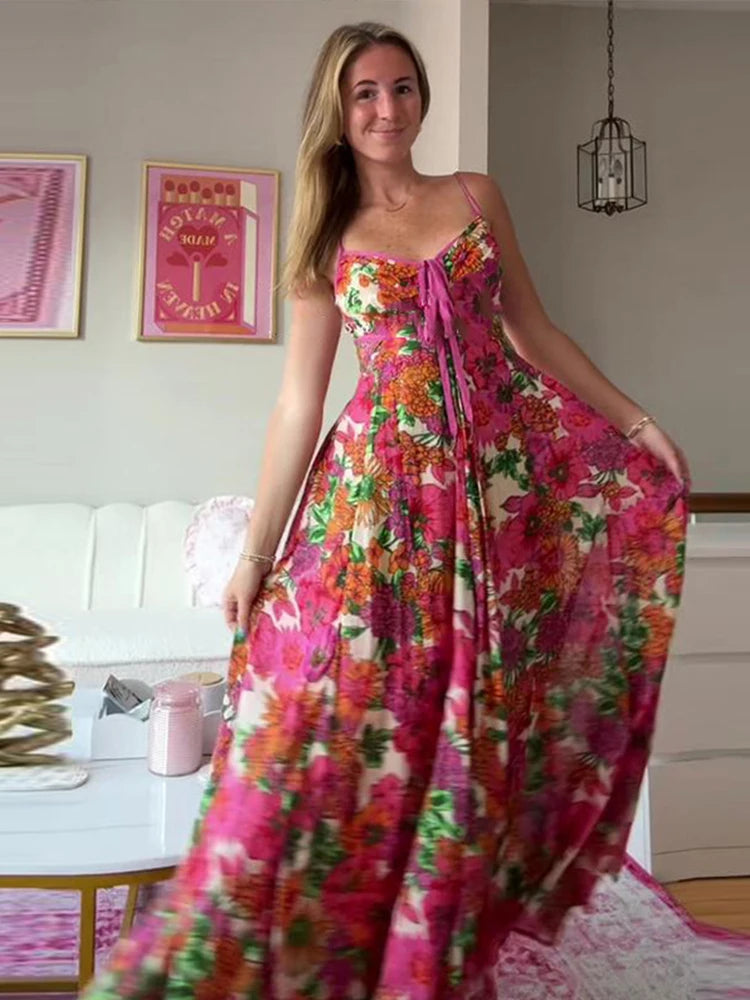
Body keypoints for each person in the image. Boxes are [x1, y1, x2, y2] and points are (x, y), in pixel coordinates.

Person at [83, 21, 690, 1000]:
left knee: (466, 727)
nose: (387, 108)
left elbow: (531, 330)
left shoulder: (474, 196)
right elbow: (299, 401)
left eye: (402, 88)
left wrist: (637, 419)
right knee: (347, 720)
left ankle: (431, 946)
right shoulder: (327, 231)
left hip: (483, 518)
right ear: (339, 105)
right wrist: (256, 555)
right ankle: (329, 944)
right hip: (372, 513)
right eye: (365, 92)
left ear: (420, 98)